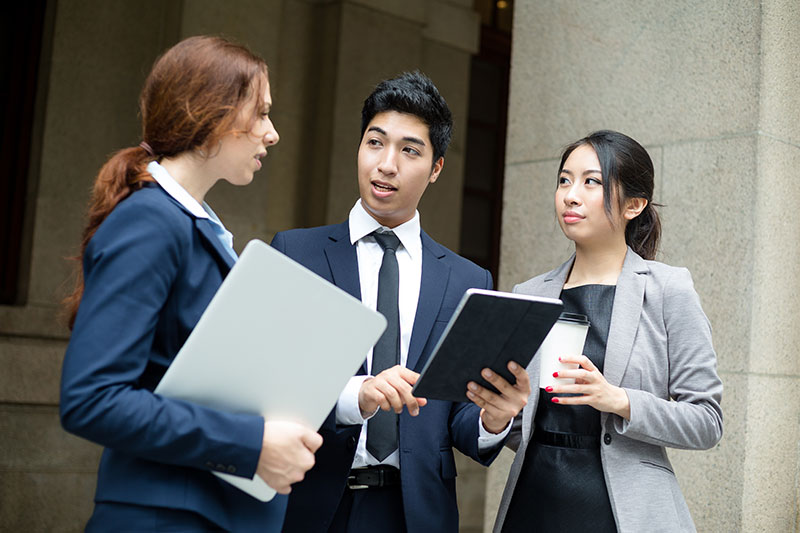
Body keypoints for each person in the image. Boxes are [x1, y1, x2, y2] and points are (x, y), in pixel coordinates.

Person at [60, 35, 322, 532]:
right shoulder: (150, 222)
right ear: (214, 113)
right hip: (166, 517)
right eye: (261, 113)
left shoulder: (192, 224)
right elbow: (91, 399)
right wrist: (253, 444)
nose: (273, 133)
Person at [270, 71, 531, 532]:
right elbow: (268, 385)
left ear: (436, 169)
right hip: (308, 505)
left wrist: (493, 420)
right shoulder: (296, 254)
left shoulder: (466, 279)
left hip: (416, 514)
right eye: (375, 142)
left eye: (410, 150)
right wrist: (357, 394)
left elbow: (458, 418)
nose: (386, 164)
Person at [489, 130, 723, 532]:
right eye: (564, 179)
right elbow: (519, 425)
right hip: (534, 501)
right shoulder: (529, 294)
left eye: (590, 181)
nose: (571, 195)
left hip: (624, 511)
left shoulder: (667, 289)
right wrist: (499, 418)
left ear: (634, 204)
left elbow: (707, 421)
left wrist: (618, 400)